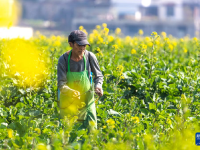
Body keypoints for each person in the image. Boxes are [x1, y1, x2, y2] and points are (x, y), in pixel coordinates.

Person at [57, 30, 104, 132]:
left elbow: (99, 76)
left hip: (87, 102)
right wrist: (70, 92)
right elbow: (61, 84)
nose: (82, 48)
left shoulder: (90, 57)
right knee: (68, 133)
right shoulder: (63, 60)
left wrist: (98, 86)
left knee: (91, 133)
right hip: (68, 103)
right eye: (79, 45)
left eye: (85, 45)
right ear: (71, 44)